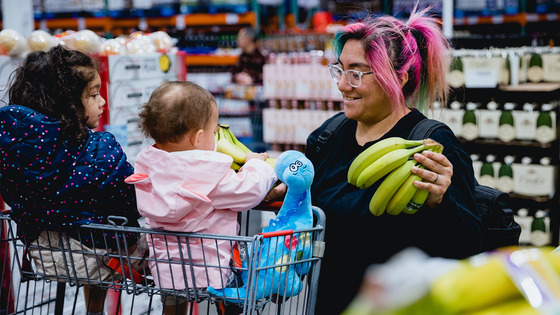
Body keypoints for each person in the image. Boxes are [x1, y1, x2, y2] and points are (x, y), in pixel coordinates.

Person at [265, 7, 484, 314]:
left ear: (398, 78)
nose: (342, 85)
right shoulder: (327, 136)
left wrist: (441, 202)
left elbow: (467, 248)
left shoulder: (431, 146)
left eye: (356, 73)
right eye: (340, 70)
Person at [0, 45, 141, 315]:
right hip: (97, 258)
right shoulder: (102, 148)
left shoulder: (12, 149)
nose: (102, 102)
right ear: (67, 102)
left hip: (43, 255)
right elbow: (131, 201)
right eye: (93, 94)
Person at [125, 81, 277, 315]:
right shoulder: (209, 173)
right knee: (234, 301)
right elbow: (249, 190)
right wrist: (256, 164)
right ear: (197, 138)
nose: (217, 136)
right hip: (213, 269)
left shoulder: (148, 167)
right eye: (215, 131)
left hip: (168, 269)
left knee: (173, 303)